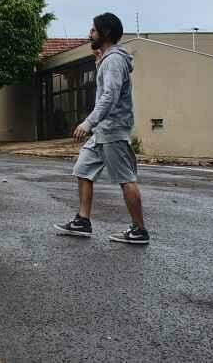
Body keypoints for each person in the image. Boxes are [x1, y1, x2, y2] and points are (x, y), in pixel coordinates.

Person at [54, 12, 149, 244]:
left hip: (113, 129)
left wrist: (88, 122)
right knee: (83, 169)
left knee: (125, 178)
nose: (89, 34)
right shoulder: (107, 59)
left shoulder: (115, 60)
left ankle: (139, 230)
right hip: (102, 132)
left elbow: (110, 96)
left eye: (94, 30)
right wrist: (99, 60)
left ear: (105, 33)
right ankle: (83, 221)